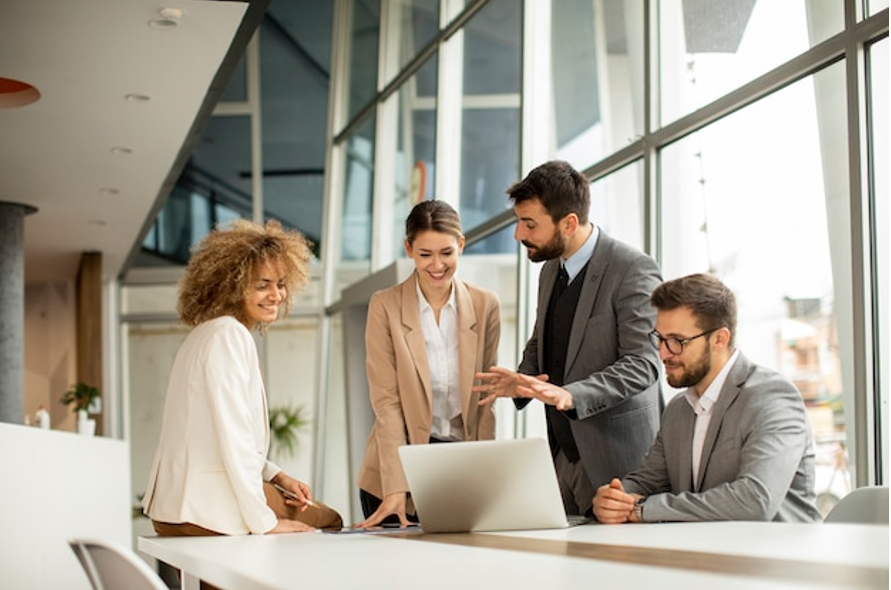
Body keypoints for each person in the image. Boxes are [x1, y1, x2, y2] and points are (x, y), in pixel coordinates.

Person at [475, 160, 663, 516]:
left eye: (529, 224)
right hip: (563, 457)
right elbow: (543, 336)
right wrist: (522, 379)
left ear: (570, 222)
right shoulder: (549, 270)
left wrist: (571, 394)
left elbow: (644, 363)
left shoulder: (632, 268)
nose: (518, 235)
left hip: (619, 464)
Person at [142, 218, 343, 540]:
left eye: (280, 284)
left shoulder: (204, 334)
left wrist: (276, 475)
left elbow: (213, 435)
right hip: (206, 509)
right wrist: (265, 521)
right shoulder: (229, 335)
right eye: (262, 284)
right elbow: (233, 436)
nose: (276, 295)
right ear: (231, 285)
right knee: (330, 520)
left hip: (172, 510)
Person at [592, 273, 821, 523]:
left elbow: (755, 501)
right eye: (659, 339)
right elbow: (647, 480)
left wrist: (643, 509)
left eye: (677, 341)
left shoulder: (773, 397)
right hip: (706, 553)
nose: (664, 354)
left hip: (778, 555)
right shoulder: (678, 409)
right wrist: (616, 498)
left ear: (720, 339)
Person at [356, 200, 501, 528]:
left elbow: (485, 399)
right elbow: (387, 404)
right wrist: (396, 487)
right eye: (425, 255)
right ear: (408, 249)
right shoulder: (385, 306)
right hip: (396, 471)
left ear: (461, 244)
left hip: (458, 467)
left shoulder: (485, 304)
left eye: (447, 253)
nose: (437, 265)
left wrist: (487, 478)